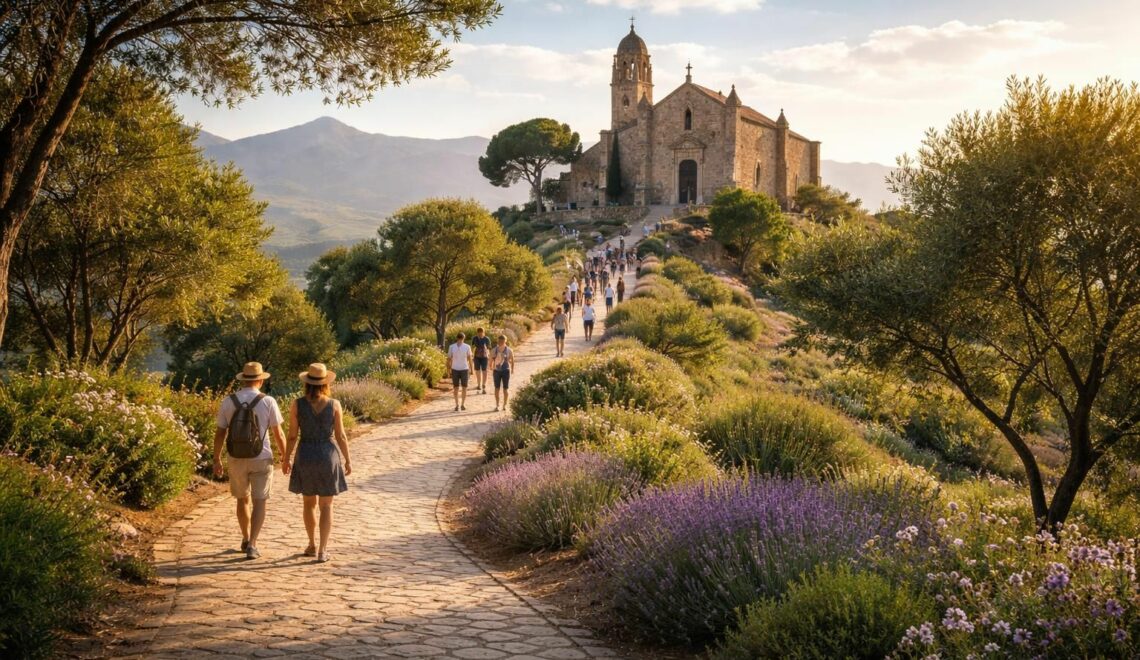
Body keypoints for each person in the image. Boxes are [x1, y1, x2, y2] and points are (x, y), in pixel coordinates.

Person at [212, 362, 286, 560]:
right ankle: (253, 544)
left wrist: (216, 458)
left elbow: (220, 433)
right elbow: (278, 433)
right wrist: (286, 457)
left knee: (242, 499)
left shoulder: (228, 401)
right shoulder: (268, 401)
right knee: (259, 501)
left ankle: (245, 538)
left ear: (243, 380)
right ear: (260, 380)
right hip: (261, 457)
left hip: (236, 457)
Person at [282, 363, 350, 563]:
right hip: (328, 455)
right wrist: (348, 459)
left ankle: (311, 544)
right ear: (325, 383)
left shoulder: (297, 404)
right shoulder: (334, 404)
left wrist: (286, 458)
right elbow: (341, 436)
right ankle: (322, 550)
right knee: (326, 505)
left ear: (307, 383)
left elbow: (292, 435)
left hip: (305, 454)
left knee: (308, 503)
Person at [447, 332, 475, 411]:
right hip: (462, 369)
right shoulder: (466, 346)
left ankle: (457, 405)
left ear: (457, 338)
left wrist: (448, 371)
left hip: (458, 369)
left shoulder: (452, 347)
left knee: (456, 388)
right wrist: (472, 369)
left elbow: (448, 360)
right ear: (464, 338)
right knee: (463, 388)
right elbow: (470, 359)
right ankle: (462, 404)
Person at [490, 335, 516, 412]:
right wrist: (491, 366)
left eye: (502, 341)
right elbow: (491, 359)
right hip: (496, 371)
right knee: (497, 388)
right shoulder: (494, 350)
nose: (500, 342)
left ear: (505, 341)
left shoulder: (509, 350)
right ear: (498, 341)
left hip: (506, 370)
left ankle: (504, 405)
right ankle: (497, 405)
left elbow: (512, 360)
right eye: (499, 341)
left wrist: (512, 369)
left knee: (505, 389)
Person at [471, 327, 492, 394]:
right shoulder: (474, 338)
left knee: (484, 371)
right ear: (477, 333)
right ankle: (479, 384)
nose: (480, 334)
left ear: (483, 332)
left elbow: (489, 348)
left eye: (481, 333)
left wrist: (489, 356)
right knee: (477, 371)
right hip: (476, 356)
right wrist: (472, 355)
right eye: (479, 333)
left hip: (484, 357)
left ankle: (484, 384)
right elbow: (472, 347)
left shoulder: (486, 339)